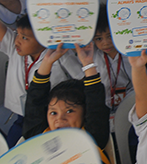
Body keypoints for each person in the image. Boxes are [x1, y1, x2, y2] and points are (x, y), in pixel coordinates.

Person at [0, 14, 83, 146]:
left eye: (24, 38)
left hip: (55, 117)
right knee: (12, 149)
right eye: (17, 34)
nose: (17, 41)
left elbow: (82, 80)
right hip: (22, 117)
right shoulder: (13, 48)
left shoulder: (60, 55)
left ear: (44, 40)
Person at [23, 42, 111, 163]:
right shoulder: (39, 136)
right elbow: (35, 100)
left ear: (85, 113)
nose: (60, 119)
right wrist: (47, 61)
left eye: (69, 111)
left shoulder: (92, 136)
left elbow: (95, 102)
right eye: (53, 113)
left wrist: (87, 63)